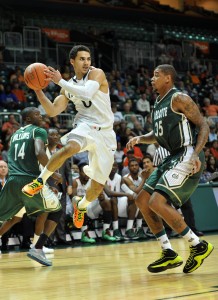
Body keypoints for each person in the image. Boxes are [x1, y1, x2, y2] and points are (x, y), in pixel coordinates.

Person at [127, 64, 213, 274]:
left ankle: (197, 245)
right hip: (171, 156)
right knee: (142, 200)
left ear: (168, 78)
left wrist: (195, 154)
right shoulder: (157, 103)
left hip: (187, 153)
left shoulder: (179, 98)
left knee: (157, 201)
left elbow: (203, 125)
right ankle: (168, 252)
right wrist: (141, 138)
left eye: (156, 75)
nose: (151, 79)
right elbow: (158, 134)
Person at [22, 45, 117, 230]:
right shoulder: (68, 87)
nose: (86, 63)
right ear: (72, 61)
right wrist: (37, 89)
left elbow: (87, 92)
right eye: (82, 59)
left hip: (105, 133)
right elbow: (52, 110)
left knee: (97, 187)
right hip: (85, 126)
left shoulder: (96, 74)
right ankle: (39, 182)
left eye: (88, 59)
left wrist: (60, 81)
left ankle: (80, 206)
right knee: (70, 147)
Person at [0, 107, 62, 266]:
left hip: (12, 181)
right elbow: (39, 152)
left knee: (8, 216)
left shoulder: (14, 135)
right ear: (27, 119)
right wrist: (53, 173)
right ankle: (38, 247)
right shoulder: (38, 131)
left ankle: (37, 243)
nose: (40, 116)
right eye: (36, 114)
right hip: (29, 181)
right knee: (56, 210)